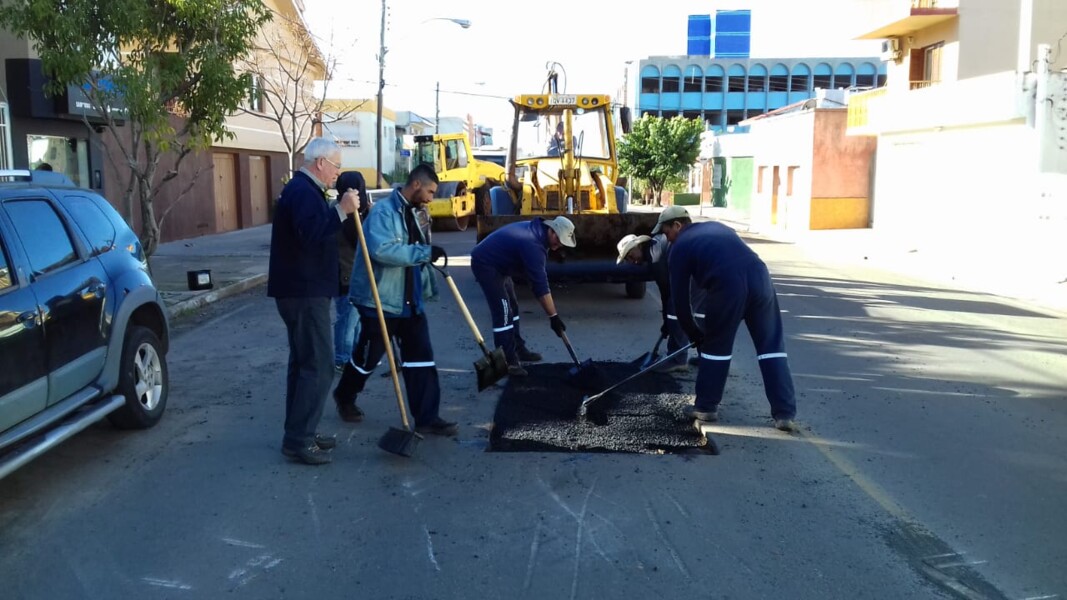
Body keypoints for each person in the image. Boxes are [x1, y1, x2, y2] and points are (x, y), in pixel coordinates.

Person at [333, 164, 457, 436]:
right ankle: (345, 395)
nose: (431, 198)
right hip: (381, 301)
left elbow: (417, 251)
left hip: (410, 301)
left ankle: (427, 417)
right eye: (430, 191)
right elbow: (381, 251)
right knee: (369, 357)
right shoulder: (383, 213)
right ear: (416, 185)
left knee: (421, 359)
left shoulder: (417, 213)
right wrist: (422, 253)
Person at [654, 206, 798, 432]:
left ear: (677, 225)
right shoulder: (717, 226)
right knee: (771, 348)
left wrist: (695, 335)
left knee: (716, 348)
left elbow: (680, 302)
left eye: (666, 232)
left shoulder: (679, 247)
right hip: (761, 278)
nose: (666, 238)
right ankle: (785, 413)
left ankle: (706, 407)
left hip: (728, 285)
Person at [268, 137, 361, 465]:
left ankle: (300, 431)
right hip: (303, 292)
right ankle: (299, 439)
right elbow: (310, 234)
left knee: (304, 364)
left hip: (301, 290)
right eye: (336, 165)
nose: (338, 173)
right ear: (321, 162)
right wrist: (341, 210)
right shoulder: (303, 192)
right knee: (319, 365)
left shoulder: (302, 190)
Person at [469, 215, 577, 377]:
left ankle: (518, 349)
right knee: (503, 312)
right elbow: (540, 285)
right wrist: (553, 316)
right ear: (552, 231)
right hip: (486, 264)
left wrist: (552, 315)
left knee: (512, 305)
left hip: (500, 265)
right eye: (559, 240)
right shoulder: (533, 243)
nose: (559, 245)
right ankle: (508, 361)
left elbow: (535, 280)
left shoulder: (540, 234)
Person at [616, 233, 692, 374]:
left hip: (693, 273)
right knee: (686, 314)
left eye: (631, 256)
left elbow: (666, 290)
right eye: (628, 259)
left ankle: (679, 360)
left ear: (638, 246)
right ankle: (691, 354)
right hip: (692, 272)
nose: (633, 261)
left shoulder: (654, 255)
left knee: (674, 313)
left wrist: (666, 320)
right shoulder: (655, 246)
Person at [333, 171, 369, 372]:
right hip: (347, 275)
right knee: (348, 320)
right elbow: (360, 242)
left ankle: (354, 356)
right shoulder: (346, 215)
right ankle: (343, 358)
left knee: (355, 321)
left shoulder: (346, 212)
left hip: (351, 275)